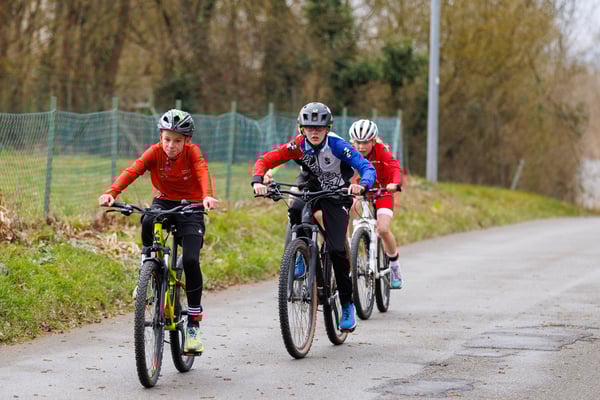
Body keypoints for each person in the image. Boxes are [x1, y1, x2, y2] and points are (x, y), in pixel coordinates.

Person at [98, 109, 218, 355]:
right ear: (160, 137)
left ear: (187, 141)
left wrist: (207, 196)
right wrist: (112, 193)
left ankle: (193, 326)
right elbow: (133, 170)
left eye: (177, 141)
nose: (171, 146)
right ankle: (147, 267)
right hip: (164, 201)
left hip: (192, 206)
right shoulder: (154, 152)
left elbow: (202, 171)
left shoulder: (193, 153)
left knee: (191, 259)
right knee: (147, 219)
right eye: (166, 139)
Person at [252, 102, 376, 332]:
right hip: (310, 188)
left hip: (337, 195)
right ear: (302, 129)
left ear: (327, 128)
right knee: (295, 207)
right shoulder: (298, 145)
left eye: (319, 128)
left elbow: (366, 167)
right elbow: (266, 160)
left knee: (337, 249)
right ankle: (301, 252)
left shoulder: (338, 146)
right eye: (309, 128)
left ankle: (347, 304)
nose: (314, 132)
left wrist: (363, 185)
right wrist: (258, 180)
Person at [349, 119, 403, 289]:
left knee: (383, 229)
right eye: (357, 142)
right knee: (352, 207)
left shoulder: (381, 151)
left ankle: (394, 265)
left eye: (365, 142)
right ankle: (354, 241)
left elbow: (394, 167)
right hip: (362, 192)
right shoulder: (350, 152)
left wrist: (395, 183)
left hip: (383, 191)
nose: (361, 147)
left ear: (373, 141)